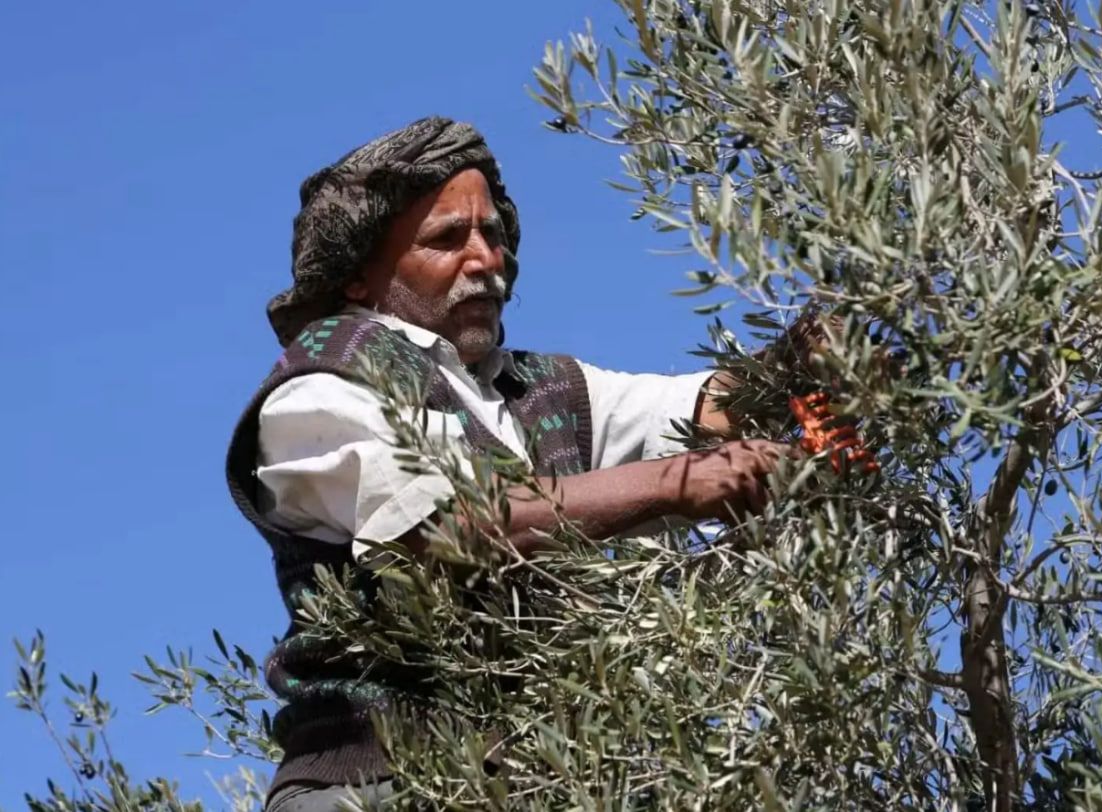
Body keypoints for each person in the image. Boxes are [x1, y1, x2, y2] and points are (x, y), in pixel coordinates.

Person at [226, 116, 790, 810]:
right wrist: (680, 485)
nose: (485, 258)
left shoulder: (540, 388)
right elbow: (448, 531)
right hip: (373, 789)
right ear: (357, 275)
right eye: (446, 239)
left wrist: (815, 356)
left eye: (491, 234)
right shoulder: (322, 386)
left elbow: (709, 410)